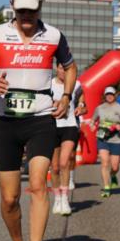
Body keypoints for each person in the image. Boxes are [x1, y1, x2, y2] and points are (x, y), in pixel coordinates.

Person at [0, 0, 76, 241]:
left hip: (41, 119)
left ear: (40, 7)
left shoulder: (54, 36)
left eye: (31, 11)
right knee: (9, 198)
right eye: (20, 11)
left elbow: (70, 68)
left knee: (37, 186)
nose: (26, 17)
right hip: (7, 121)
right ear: (12, 6)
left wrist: (66, 96)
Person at [51, 62, 83, 214]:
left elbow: (84, 104)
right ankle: (57, 199)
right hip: (52, 127)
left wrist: (81, 107)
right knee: (55, 167)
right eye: (61, 68)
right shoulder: (49, 84)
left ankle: (65, 199)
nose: (63, 71)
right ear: (56, 69)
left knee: (64, 162)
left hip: (69, 126)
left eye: (66, 69)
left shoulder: (76, 85)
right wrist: (52, 104)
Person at [93, 86, 120, 199]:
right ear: (105, 95)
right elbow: (93, 120)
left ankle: (113, 175)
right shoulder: (99, 108)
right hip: (103, 138)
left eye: (111, 94)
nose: (109, 96)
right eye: (107, 94)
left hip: (116, 139)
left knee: (115, 167)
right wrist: (93, 126)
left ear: (114, 96)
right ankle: (107, 187)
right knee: (104, 162)